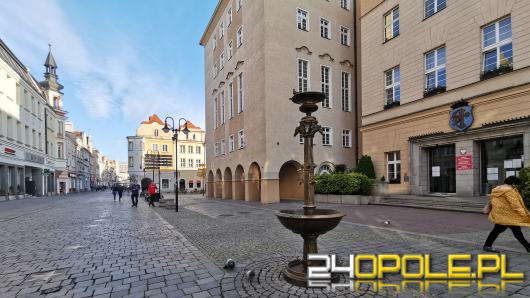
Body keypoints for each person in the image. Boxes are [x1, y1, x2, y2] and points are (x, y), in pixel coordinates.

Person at [483, 176, 530, 253]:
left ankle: (487, 245)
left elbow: (493, 201)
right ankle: (528, 247)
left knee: (497, 231)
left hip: (501, 215)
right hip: (509, 216)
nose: (517, 186)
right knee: (517, 233)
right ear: (513, 183)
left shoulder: (497, 189)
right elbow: (515, 204)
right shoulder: (509, 191)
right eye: (517, 184)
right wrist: (524, 214)